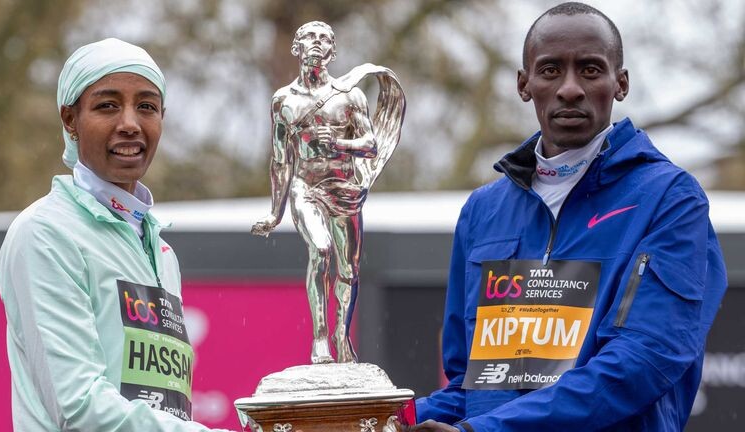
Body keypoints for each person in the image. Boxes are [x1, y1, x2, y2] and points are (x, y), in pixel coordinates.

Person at [410, 3, 727, 431]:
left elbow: (640, 363)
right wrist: (371, 419)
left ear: (620, 83)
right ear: (524, 84)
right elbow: (470, 389)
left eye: (591, 70)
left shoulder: (670, 199)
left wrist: (486, 429)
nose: (570, 88)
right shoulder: (482, 211)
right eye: (551, 70)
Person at [0, 38, 233, 431]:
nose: (130, 123)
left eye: (147, 107)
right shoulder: (46, 233)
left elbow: (163, 408)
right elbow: (80, 407)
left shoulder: (160, 249)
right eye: (107, 105)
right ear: (70, 120)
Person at [251, 21, 404, 364]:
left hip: (344, 189)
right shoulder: (283, 101)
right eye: (309, 37)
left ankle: (341, 334)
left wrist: (338, 143)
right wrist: (274, 213)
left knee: (349, 270)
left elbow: (371, 144)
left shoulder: (350, 96)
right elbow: (281, 159)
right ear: (297, 47)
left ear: (333, 52)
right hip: (305, 188)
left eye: (324, 39)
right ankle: (320, 339)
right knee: (320, 250)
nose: (317, 43)